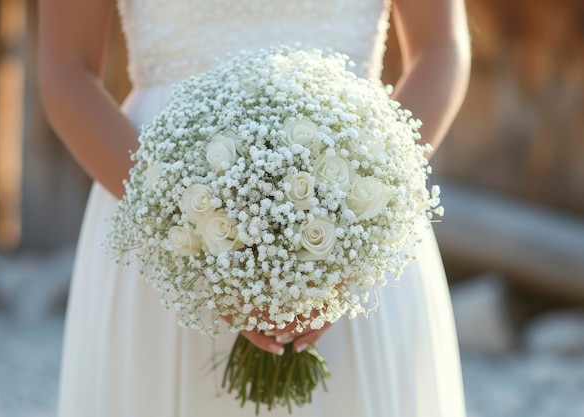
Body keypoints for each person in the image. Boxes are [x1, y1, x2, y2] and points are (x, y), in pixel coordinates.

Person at [38, 0, 471, 416]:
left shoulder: (359, 206)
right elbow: (66, 70)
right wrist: (188, 224)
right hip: (158, 200)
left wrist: (366, 207)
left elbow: (441, 49)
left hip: (349, 185)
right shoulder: (173, 215)